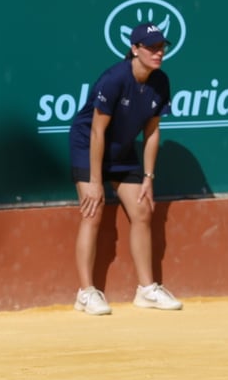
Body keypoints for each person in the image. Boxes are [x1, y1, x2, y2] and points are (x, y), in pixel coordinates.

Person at [67, 22, 183, 316]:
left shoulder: (161, 81)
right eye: (152, 47)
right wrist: (94, 181)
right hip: (88, 145)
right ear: (134, 49)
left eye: (161, 48)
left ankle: (146, 290)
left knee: (143, 209)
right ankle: (85, 293)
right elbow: (96, 132)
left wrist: (148, 178)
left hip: (123, 150)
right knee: (93, 210)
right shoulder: (114, 79)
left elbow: (153, 132)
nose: (159, 53)